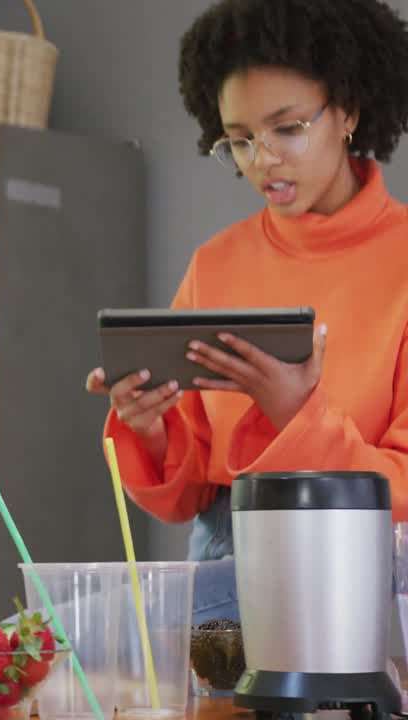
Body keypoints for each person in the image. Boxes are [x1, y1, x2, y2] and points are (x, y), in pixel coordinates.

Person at [86, 0, 408, 624]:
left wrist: (295, 415)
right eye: (238, 140)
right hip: (223, 552)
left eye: (287, 129)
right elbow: (185, 500)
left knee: (92, 629)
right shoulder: (217, 263)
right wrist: (149, 428)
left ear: (348, 111)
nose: (262, 160)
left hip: (369, 566)